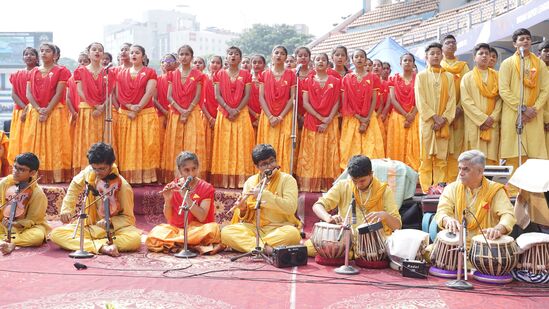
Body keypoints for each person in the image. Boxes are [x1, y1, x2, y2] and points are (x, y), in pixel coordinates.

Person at [50, 143, 141, 257]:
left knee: (134, 240)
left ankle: (91, 245)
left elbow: (128, 218)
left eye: (102, 169)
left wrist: (110, 222)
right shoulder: (89, 172)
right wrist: (67, 209)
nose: (98, 172)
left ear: (111, 164)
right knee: (56, 234)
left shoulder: (123, 187)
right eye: (95, 168)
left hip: (114, 231)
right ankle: (102, 247)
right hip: (92, 227)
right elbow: (74, 186)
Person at [307, 155, 402, 256]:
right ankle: (350, 254)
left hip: (373, 242)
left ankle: (350, 255)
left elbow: (397, 226)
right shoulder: (343, 186)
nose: (358, 185)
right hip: (345, 239)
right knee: (309, 247)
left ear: (371, 174)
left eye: (362, 181)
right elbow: (317, 206)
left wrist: (384, 215)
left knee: (398, 248)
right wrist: (328, 218)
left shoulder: (384, 191)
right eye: (354, 181)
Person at [221, 144, 301, 254]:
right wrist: (243, 208)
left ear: (276, 160)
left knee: (293, 234)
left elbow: (290, 208)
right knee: (226, 232)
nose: (269, 166)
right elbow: (246, 216)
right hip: (254, 229)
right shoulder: (251, 182)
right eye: (264, 164)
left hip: (278, 228)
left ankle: (255, 247)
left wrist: (263, 194)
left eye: (272, 161)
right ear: (257, 167)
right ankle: (267, 249)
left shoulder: (288, 180)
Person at [434, 150, 516, 245]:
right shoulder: (451, 189)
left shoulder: (495, 190)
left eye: (466, 169)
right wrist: (448, 220)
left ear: (480, 171)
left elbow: (508, 215)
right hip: (457, 246)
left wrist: (497, 229)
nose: (461, 173)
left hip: (486, 246)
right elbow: (441, 212)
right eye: (459, 168)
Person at [146, 151, 222, 254]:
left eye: (194, 169)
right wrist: (168, 200)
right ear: (180, 171)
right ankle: (192, 245)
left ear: (198, 168)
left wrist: (186, 198)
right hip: (178, 231)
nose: (191, 173)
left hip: (199, 230)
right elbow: (169, 218)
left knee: (213, 229)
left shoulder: (206, 188)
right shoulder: (173, 186)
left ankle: (177, 244)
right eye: (186, 170)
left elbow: (202, 216)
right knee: (154, 233)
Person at [499, 28, 548, 173]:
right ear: (515, 44)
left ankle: (534, 193)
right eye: (521, 39)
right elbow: (503, 90)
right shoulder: (507, 63)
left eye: (528, 38)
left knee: (535, 154)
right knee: (515, 154)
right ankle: (515, 192)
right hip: (514, 114)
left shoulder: (540, 64)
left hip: (534, 115)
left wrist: (535, 109)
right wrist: (521, 108)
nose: (525, 41)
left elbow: (545, 89)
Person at [22, 43, 72, 183]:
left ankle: (56, 175)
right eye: (42, 51)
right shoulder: (33, 71)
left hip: (55, 112)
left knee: (55, 142)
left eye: (48, 51)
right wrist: (38, 109)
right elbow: (28, 93)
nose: (44, 53)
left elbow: (59, 92)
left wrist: (48, 110)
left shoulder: (61, 70)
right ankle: (33, 173)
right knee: (34, 142)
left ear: (55, 55)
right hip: (36, 112)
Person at [114, 44, 160, 184]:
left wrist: (138, 108)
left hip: (145, 114)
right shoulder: (120, 73)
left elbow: (149, 92)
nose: (133, 55)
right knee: (127, 146)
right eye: (131, 52)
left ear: (143, 56)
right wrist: (129, 107)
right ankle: (129, 177)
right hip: (126, 115)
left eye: (137, 53)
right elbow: (118, 93)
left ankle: (147, 178)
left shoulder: (150, 72)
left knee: (147, 145)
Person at [210, 46, 255, 188]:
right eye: (230, 54)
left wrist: (237, 110)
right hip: (224, 114)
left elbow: (247, 95)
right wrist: (229, 109)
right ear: (227, 57)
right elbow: (217, 95)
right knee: (224, 144)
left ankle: (242, 180)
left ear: (240, 59)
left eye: (236, 54)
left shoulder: (246, 74)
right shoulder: (219, 74)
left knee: (242, 144)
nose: (233, 56)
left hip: (241, 114)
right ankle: (223, 178)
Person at [415, 42, 456, 192]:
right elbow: (420, 100)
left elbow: (452, 100)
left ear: (442, 55)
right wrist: (434, 117)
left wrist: (444, 118)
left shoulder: (449, 77)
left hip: (443, 124)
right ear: (426, 57)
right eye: (432, 53)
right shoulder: (421, 76)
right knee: (425, 158)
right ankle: (426, 189)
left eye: (438, 53)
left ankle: (440, 188)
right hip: (428, 123)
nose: (435, 56)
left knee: (441, 158)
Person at [296, 53, 341, 192]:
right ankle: (310, 184)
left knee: (329, 151)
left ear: (328, 64)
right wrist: (321, 118)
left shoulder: (335, 80)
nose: (320, 62)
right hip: (312, 121)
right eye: (318, 60)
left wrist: (328, 120)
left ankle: (328, 184)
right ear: (313, 64)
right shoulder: (307, 81)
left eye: (323, 60)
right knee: (311, 152)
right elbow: (305, 102)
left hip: (330, 121)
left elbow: (337, 102)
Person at [160, 45, 205, 183]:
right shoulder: (172, 74)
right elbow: (169, 96)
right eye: (181, 54)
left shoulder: (198, 75)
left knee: (192, 142)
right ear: (178, 57)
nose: (184, 57)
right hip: (175, 113)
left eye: (187, 54)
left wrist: (187, 111)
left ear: (191, 56)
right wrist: (181, 111)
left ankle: (193, 176)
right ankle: (175, 176)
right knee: (175, 143)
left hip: (192, 114)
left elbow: (197, 96)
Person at [72, 42, 116, 174]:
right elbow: (80, 91)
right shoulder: (80, 71)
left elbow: (111, 92)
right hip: (87, 110)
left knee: (104, 139)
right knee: (87, 139)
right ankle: (86, 171)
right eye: (94, 50)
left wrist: (102, 107)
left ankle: (105, 169)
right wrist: (95, 105)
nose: (97, 52)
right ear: (89, 52)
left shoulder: (108, 72)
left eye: (100, 50)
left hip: (104, 110)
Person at [340, 49, 384, 170]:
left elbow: (374, 100)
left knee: (371, 147)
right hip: (352, 117)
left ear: (365, 60)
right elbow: (345, 101)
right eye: (356, 57)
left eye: (362, 57)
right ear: (352, 60)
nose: (359, 59)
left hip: (370, 117)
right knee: (350, 147)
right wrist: (360, 118)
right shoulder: (346, 78)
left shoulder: (373, 78)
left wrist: (367, 119)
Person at [0, 153, 50, 255]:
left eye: (21, 169)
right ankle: (6, 241)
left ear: (32, 173)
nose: (15, 172)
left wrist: (15, 223)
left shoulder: (38, 194)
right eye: (15, 167)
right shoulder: (5, 183)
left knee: (37, 236)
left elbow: (33, 220)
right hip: (3, 224)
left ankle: (10, 242)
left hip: (25, 229)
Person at [257, 46, 296, 173]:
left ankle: (283, 174)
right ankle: (265, 174)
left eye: (283, 53)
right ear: (272, 55)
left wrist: (280, 117)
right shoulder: (264, 74)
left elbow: (292, 98)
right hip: (268, 116)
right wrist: (270, 116)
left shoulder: (291, 74)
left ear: (286, 57)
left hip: (285, 116)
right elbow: (261, 97)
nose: (279, 55)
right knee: (267, 145)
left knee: (285, 144)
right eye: (276, 53)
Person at [461, 43, 502, 166]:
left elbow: (500, 99)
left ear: (491, 57)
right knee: (474, 158)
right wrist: (483, 119)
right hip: (475, 124)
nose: (484, 56)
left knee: (492, 158)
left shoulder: (498, 76)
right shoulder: (467, 77)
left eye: (487, 54)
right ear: (474, 57)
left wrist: (492, 118)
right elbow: (466, 101)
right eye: (481, 53)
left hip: (492, 124)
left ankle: (489, 184)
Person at [441, 34, 470, 183]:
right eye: (447, 43)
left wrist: (458, 108)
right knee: (442, 147)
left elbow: (466, 87)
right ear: (442, 47)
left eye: (453, 42)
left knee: (457, 148)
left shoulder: (463, 66)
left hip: (459, 112)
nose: (451, 45)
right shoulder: (437, 65)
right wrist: (446, 113)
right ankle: (442, 181)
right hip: (442, 115)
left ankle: (455, 179)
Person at [386, 53, 420, 170]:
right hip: (398, 116)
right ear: (400, 63)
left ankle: (415, 174)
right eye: (405, 60)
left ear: (413, 63)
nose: (407, 62)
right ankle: (398, 173)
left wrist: (412, 115)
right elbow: (392, 99)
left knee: (415, 145)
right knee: (398, 145)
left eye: (410, 60)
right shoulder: (393, 79)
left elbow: (421, 99)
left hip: (415, 115)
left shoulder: (419, 78)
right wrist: (406, 115)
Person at [8, 47, 39, 166]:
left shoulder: (39, 73)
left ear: (37, 58)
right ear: (23, 57)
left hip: (35, 110)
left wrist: (30, 108)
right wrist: (25, 108)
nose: (28, 56)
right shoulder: (16, 74)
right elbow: (14, 94)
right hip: (20, 111)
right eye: (26, 54)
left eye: (31, 54)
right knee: (18, 140)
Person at [200, 55, 223, 180]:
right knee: (206, 146)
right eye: (212, 62)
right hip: (206, 116)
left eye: (218, 63)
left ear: (222, 65)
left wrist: (217, 117)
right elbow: (201, 100)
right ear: (208, 65)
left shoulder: (224, 80)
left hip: (221, 117)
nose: (215, 65)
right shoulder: (204, 79)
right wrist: (209, 118)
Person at [155, 53, 179, 162]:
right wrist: (165, 112)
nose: (167, 62)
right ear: (161, 64)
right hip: (161, 114)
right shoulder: (157, 79)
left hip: (176, 114)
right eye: (164, 60)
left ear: (176, 63)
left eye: (170, 60)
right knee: (161, 143)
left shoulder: (179, 77)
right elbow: (154, 99)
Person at [248, 54, 266, 129]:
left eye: (260, 62)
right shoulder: (247, 79)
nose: (257, 65)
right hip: (249, 116)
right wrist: (255, 115)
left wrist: (261, 116)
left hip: (265, 115)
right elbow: (243, 100)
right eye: (254, 62)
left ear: (264, 64)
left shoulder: (268, 79)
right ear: (251, 65)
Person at [538, 41, 549, 158]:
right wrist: (546, 118)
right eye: (545, 51)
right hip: (538, 117)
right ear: (539, 53)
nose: (548, 53)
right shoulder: (535, 71)